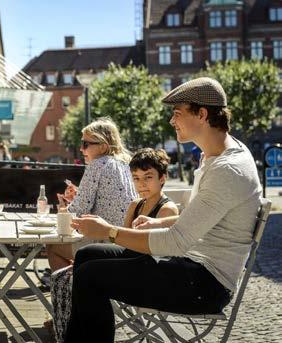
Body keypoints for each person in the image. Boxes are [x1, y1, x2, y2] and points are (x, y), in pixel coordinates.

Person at [64, 77, 262, 342]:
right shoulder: (218, 154)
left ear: (202, 114)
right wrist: (158, 223)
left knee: (90, 276)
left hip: (205, 284)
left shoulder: (226, 169)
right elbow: (210, 217)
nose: (172, 121)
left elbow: (175, 242)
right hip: (191, 266)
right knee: (88, 254)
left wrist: (109, 231)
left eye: (177, 113)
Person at [51, 148, 179, 342]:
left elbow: (157, 250)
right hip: (130, 260)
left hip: (149, 270)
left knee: (87, 273)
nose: (141, 184)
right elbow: (123, 242)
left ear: (163, 178)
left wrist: (106, 232)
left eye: (148, 177)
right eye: (136, 178)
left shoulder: (167, 209)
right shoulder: (135, 205)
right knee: (84, 256)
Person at [48, 118, 136, 273]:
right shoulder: (125, 163)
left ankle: (73, 294)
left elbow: (77, 211)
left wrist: (62, 209)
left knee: (54, 247)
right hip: (128, 241)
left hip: (105, 241)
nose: (81, 149)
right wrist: (78, 196)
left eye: (85, 144)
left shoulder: (97, 165)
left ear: (103, 147)